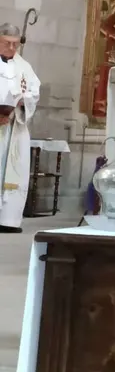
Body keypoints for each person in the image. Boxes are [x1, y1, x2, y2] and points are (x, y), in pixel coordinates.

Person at [0, 23, 41, 233]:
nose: (12, 48)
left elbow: (34, 91)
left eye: (16, 44)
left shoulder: (24, 67)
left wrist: (22, 102)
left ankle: (8, 219)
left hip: (15, 127)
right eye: (8, 43)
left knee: (14, 170)